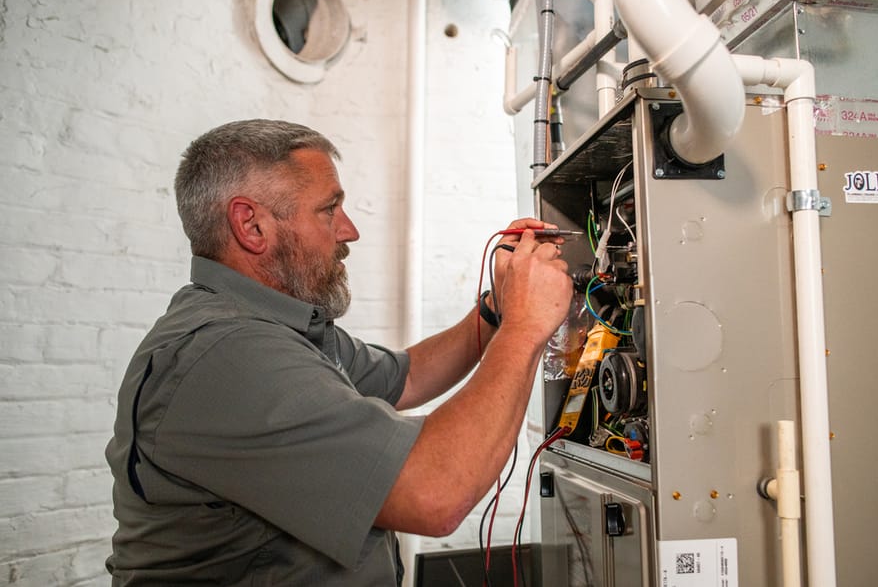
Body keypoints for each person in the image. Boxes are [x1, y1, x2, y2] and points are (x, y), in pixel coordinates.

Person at [105, 119, 572, 586]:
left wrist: (497, 308)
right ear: (251, 225)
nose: (349, 232)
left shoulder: (277, 326)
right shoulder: (225, 354)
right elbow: (437, 493)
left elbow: (407, 378)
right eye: (330, 210)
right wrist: (526, 324)